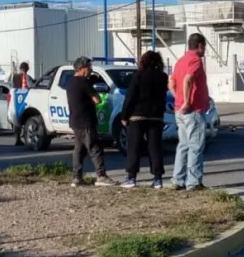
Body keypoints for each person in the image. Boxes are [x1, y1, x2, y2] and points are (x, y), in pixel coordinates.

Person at [120, 51, 169, 189]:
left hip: (138, 116)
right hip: (156, 117)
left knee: (134, 147)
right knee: (155, 147)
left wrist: (124, 116)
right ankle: (158, 178)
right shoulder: (163, 77)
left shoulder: (138, 76)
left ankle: (131, 177)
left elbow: (130, 97)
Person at [66, 57, 117, 187]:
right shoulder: (84, 82)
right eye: (89, 66)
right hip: (86, 121)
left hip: (75, 121)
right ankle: (101, 176)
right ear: (82, 68)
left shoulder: (70, 82)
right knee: (95, 148)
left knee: (79, 149)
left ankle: (77, 177)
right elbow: (97, 100)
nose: (91, 69)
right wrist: (96, 93)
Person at [171, 33, 210, 191]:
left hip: (180, 110)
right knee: (195, 146)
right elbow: (188, 79)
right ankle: (193, 182)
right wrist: (187, 101)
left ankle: (178, 180)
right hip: (193, 110)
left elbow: (171, 82)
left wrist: (179, 98)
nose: (204, 50)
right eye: (204, 46)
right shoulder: (195, 59)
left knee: (183, 145)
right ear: (200, 45)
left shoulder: (181, 60)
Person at [11, 62, 33, 146]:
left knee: (16, 119)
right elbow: (31, 86)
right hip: (25, 100)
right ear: (27, 69)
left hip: (15, 100)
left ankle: (17, 138)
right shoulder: (27, 77)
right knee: (25, 118)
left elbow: (12, 87)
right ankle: (25, 136)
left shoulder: (14, 77)